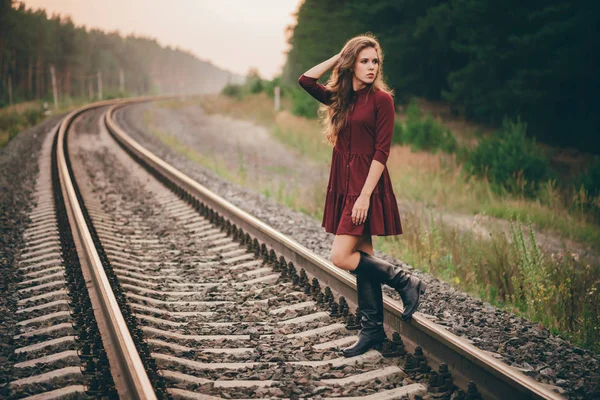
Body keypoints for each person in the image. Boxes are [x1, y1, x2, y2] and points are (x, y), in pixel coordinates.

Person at [298, 34, 426, 357]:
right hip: (345, 185)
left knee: (341, 256)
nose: (371, 67)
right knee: (363, 256)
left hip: (365, 187)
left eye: (375, 61)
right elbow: (306, 80)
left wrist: (365, 196)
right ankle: (372, 332)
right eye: (364, 61)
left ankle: (403, 281)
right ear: (352, 64)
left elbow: (382, 152)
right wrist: (339, 56)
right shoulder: (342, 98)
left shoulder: (382, 100)